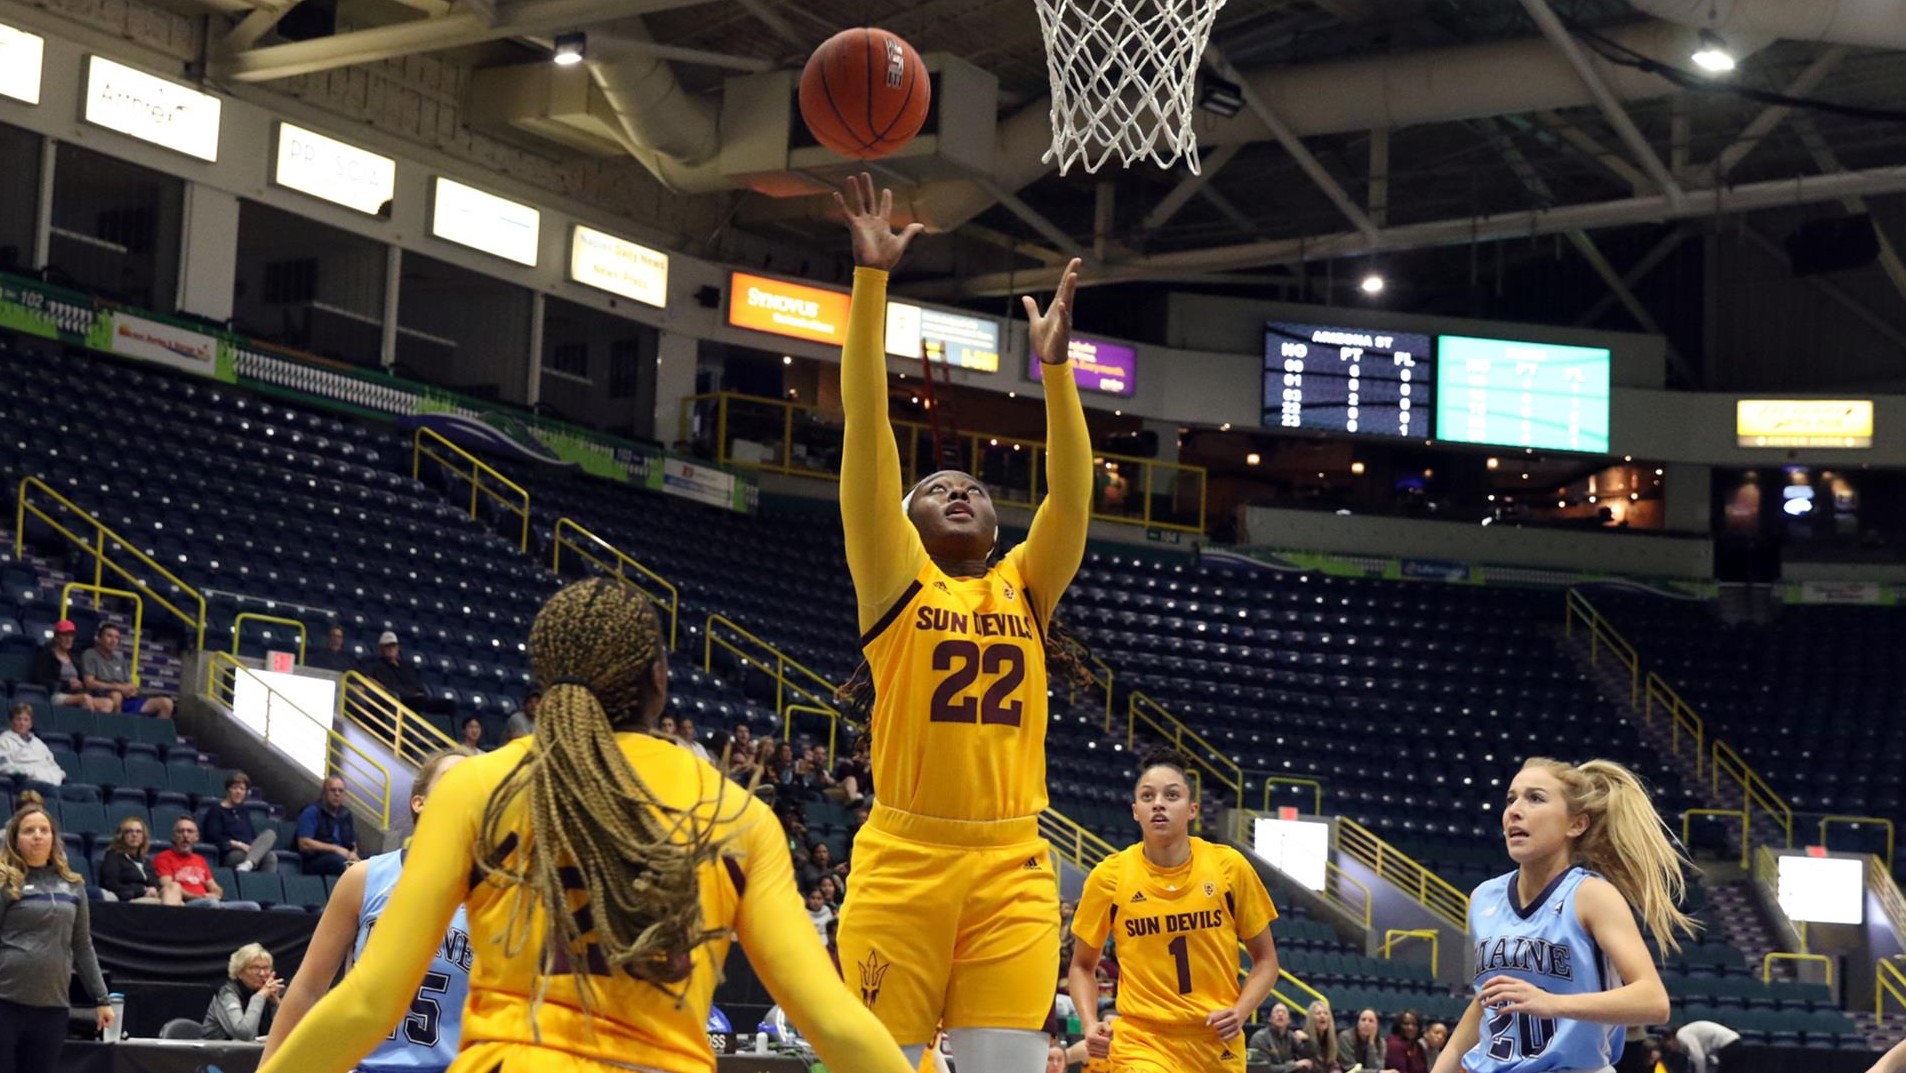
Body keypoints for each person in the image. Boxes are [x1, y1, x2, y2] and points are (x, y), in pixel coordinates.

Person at [253, 578, 917, 1073]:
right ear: (660, 678)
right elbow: (830, 1018)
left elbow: (368, 998)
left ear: (546, 682)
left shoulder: (481, 786)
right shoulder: (738, 814)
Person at [830, 172, 1090, 1073]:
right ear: (901, 520)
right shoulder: (894, 581)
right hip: (902, 857)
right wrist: (871, 286)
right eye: (936, 487)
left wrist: (1056, 374)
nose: (959, 490)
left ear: (994, 525)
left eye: (974, 488)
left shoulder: (1025, 584)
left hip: (1013, 863)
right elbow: (869, 429)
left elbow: (1071, 496)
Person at [1430, 758, 1695, 1073]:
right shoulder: (1483, 898)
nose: (1515, 810)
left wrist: (1553, 1004)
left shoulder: (1591, 895)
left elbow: (1653, 1001)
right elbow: (1485, 1003)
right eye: (1511, 799)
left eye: (1535, 798)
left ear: (1576, 824)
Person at [263, 749, 476, 1070]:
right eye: (452, 780)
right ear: (419, 801)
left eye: (474, 785)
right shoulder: (364, 879)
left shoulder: (493, 898)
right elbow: (308, 988)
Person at [1069, 750, 1281, 1073]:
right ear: (1135, 811)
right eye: (1147, 796)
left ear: (1192, 809)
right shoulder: (1109, 877)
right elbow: (1082, 966)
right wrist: (1089, 1022)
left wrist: (1240, 1011)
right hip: (1143, 1040)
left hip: (1215, 1042)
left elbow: (1266, 962)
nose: (1158, 803)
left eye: (1171, 795)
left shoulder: (1229, 868)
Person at [0, 791, 113, 1073]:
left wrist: (102, 999)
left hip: (53, 1008)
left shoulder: (73, 885)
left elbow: (83, 946)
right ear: (15, 839)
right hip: (5, 1003)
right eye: (28, 831)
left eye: (44, 830)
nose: (37, 836)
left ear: (53, 838)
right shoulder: (5, 882)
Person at [81, 622, 175, 718]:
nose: (113, 640)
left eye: (116, 638)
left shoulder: (119, 658)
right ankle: (117, 730)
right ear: (99, 639)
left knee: (166, 703)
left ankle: (155, 733)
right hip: (105, 697)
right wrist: (118, 687)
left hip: (127, 699)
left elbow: (129, 684)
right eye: (109, 636)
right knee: (116, 695)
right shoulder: (90, 654)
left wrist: (131, 689)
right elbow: (89, 683)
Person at [200, 771, 279, 872]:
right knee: (240, 856)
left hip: (249, 850)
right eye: (235, 788)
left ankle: (250, 864)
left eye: (242, 789)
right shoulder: (216, 810)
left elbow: (252, 835)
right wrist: (239, 845)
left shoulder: (243, 811)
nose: (239, 792)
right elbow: (213, 837)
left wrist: (253, 846)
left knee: (271, 846)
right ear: (228, 790)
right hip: (232, 853)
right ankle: (249, 862)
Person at [204, 942, 284, 1040]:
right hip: (216, 1053)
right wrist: (260, 997)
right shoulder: (227, 994)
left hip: (254, 1053)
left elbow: (287, 1033)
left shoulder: (267, 993)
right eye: (255, 968)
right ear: (239, 972)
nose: (262, 973)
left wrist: (276, 1004)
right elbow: (244, 1035)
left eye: (266, 968)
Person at [29, 621, 112, 713]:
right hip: (56, 694)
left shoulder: (75, 657)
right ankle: (88, 726)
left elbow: (82, 678)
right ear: (57, 637)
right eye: (65, 636)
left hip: (77, 694)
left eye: (71, 636)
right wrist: (66, 685)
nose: (69, 639)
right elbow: (39, 679)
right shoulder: (47, 655)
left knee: (107, 703)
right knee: (85, 699)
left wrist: (81, 684)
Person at [365, 632, 454, 717]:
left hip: (416, 699)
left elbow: (418, 685)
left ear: (397, 648)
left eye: (393, 646)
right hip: (399, 700)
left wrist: (420, 693)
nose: (391, 649)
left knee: (449, 704)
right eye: (387, 646)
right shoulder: (376, 666)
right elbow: (386, 687)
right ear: (381, 649)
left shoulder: (407, 667)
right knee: (418, 701)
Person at [153, 816, 227, 906]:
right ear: (173, 837)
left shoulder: (200, 859)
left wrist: (216, 894)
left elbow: (214, 886)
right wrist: (199, 897)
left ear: (197, 837)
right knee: (212, 904)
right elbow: (168, 886)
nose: (185, 835)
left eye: (190, 831)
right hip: (186, 903)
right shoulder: (163, 857)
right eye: (180, 831)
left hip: (207, 900)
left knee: (248, 906)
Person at [296, 776, 360, 878]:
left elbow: (353, 843)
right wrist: (335, 849)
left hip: (342, 857)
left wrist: (352, 854)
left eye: (341, 791)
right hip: (315, 860)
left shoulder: (346, 814)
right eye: (333, 790)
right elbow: (304, 843)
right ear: (324, 793)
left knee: (374, 860)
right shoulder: (311, 811)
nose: (337, 794)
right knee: (339, 862)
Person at [99, 815, 163, 904]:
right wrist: (143, 890)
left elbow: (156, 884)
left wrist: (154, 890)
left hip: (152, 897)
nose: (134, 835)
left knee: (174, 896)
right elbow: (112, 884)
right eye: (129, 831)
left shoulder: (145, 860)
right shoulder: (113, 856)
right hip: (129, 900)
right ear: (122, 836)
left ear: (143, 837)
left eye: (138, 832)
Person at [0, 704, 64, 787]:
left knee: (84, 792)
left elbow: (53, 764)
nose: (22, 723)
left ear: (30, 724)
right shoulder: (3, 741)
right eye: (18, 719)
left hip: (49, 781)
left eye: (26, 720)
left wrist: (60, 775)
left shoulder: (39, 743)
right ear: (12, 722)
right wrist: (28, 772)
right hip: (25, 782)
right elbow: (4, 767)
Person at [1247, 1004, 1308, 1073]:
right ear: (1270, 1019)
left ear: (1289, 1020)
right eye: (1276, 1012)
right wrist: (1294, 1065)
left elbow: (1307, 1056)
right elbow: (1262, 1069)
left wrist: (1306, 1040)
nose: (1280, 1014)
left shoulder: (1291, 1036)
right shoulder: (1259, 1038)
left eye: (1284, 1012)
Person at [1671, 1020, 1742, 1073]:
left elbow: (1699, 1057)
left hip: (1728, 1043)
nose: (1673, 1050)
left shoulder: (1681, 1034)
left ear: (1672, 1038)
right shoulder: (1690, 1033)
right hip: (1734, 1041)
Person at [1345, 1008, 1393, 1073]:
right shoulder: (1346, 1037)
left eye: (1371, 1021)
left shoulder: (1381, 1042)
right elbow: (1350, 1069)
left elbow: (1376, 1068)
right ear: (1357, 1023)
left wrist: (1371, 1042)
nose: (1366, 1023)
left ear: (1377, 1025)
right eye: (1363, 1020)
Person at [1305, 1001, 1343, 1073]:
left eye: (1326, 1013)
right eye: (1318, 1013)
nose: (1322, 1016)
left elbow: (1333, 1063)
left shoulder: (1331, 1041)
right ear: (1311, 1018)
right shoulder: (1304, 1040)